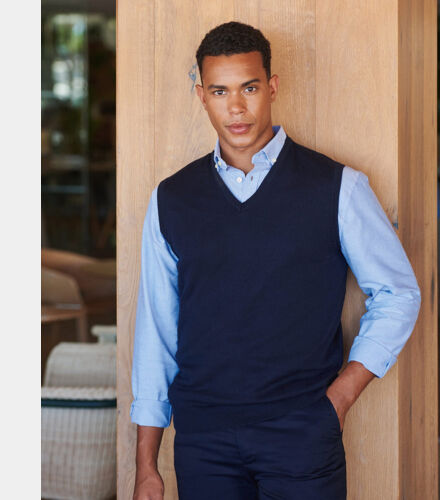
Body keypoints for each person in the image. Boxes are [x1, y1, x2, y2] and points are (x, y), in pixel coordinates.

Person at [130, 21, 421, 500]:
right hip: (203, 441)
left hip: (301, 435)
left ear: (272, 87)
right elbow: (156, 331)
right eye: (220, 91)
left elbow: (398, 293)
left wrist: (338, 400)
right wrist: (146, 465)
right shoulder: (171, 199)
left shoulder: (337, 187)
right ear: (201, 95)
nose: (236, 107)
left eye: (249, 88)